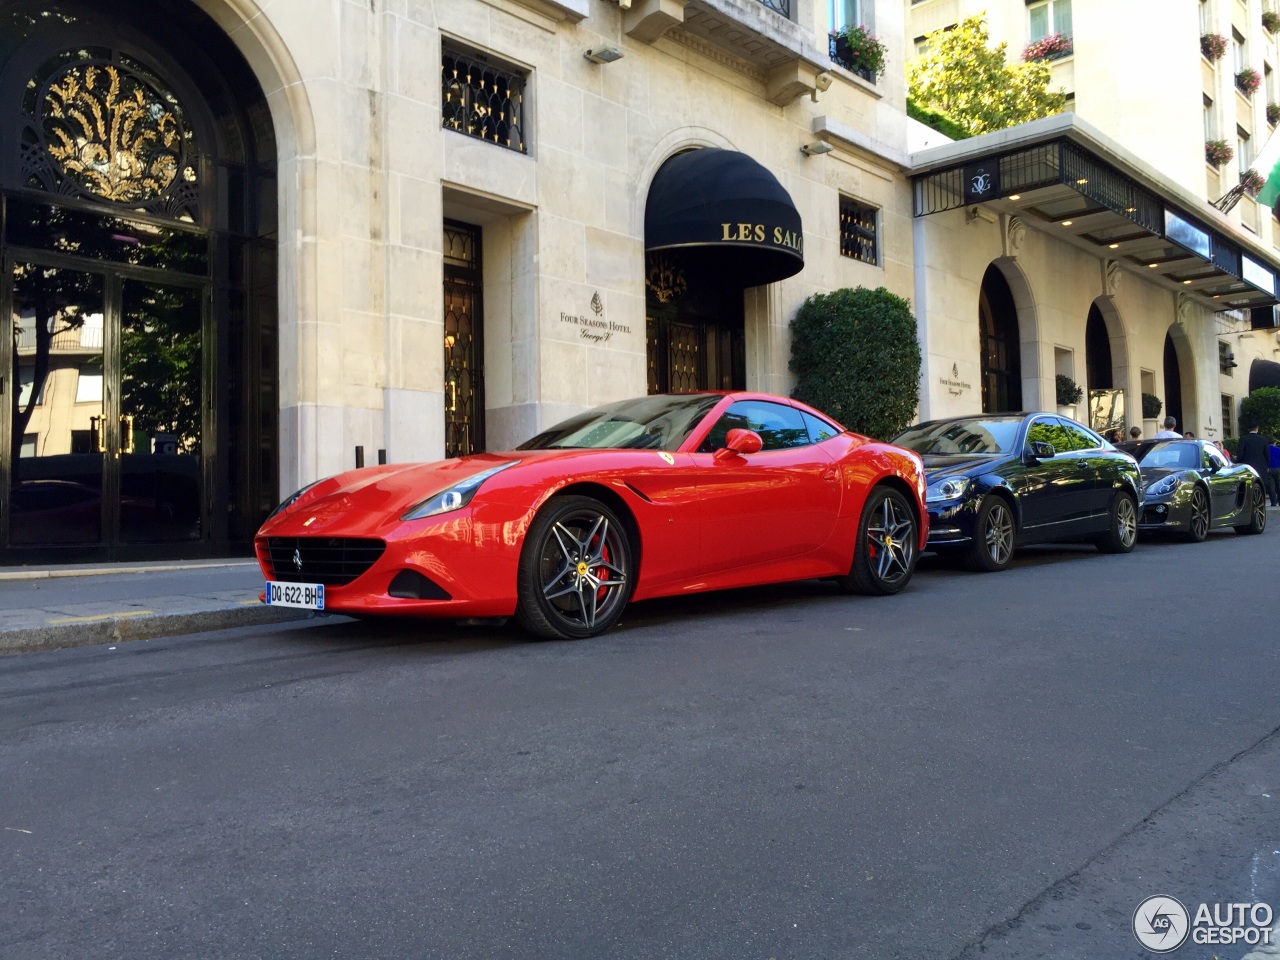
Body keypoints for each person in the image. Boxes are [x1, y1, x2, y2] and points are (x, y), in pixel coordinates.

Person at [1268, 439, 1280, 508]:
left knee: (1271, 486)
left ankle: (1273, 502)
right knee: (1279, 485)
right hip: (1278, 468)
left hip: (1269, 469)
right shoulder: (1278, 449)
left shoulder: (1266, 450)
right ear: (1274, 443)